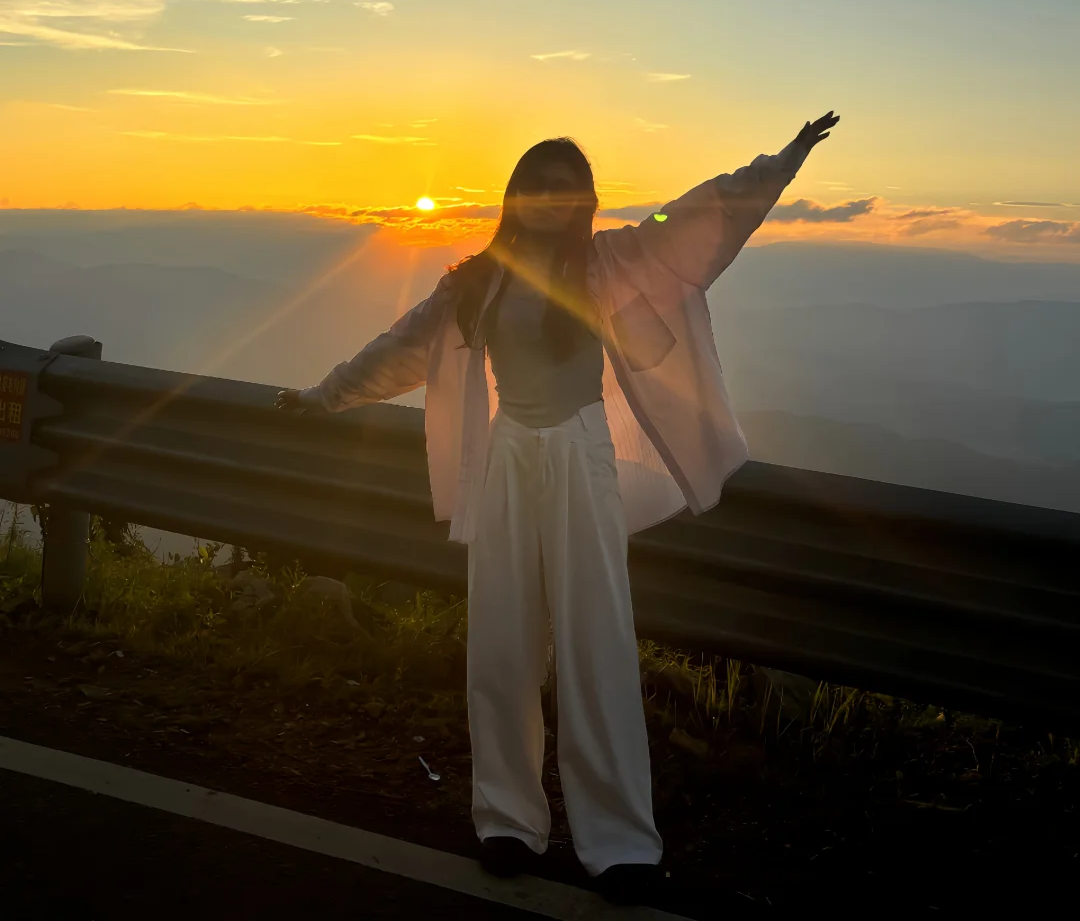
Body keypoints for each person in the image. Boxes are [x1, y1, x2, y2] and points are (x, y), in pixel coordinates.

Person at [276, 111, 839, 903]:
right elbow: (402, 347)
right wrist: (321, 395)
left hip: (581, 456)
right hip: (509, 456)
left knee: (595, 639)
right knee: (501, 640)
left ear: (582, 202)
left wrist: (775, 166)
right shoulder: (476, 281)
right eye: (533, 187)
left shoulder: (608, 262)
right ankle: (507, 820)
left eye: (562, 188)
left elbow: (694, 215)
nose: (547, 200)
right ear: (514, 197)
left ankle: (617, 843)